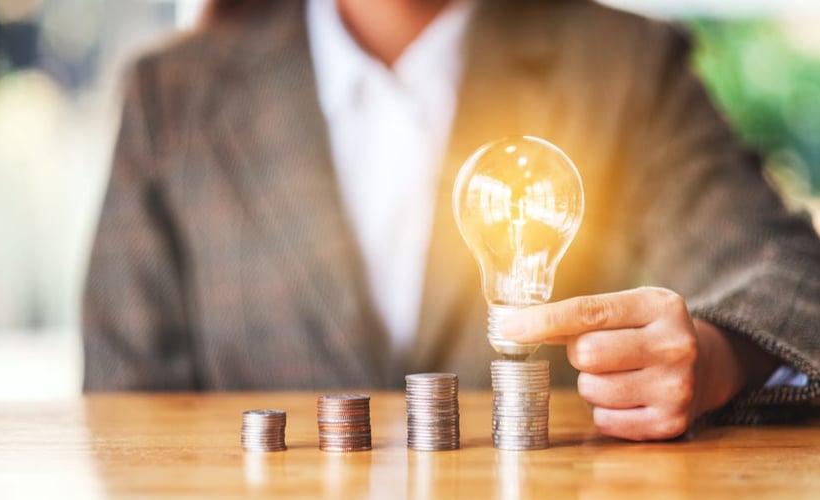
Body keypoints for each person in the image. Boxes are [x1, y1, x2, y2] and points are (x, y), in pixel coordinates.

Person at [83, 0, 820, 441]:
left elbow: (788, 277)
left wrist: (719, 357)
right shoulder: (172, 96)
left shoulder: (618, 65)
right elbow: (122, 406)